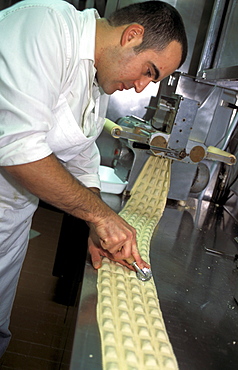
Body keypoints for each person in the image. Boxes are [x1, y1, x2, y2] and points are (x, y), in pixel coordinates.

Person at [0, 0, 187, 356]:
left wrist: (96, 224)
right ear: (132, 36)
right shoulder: (45, 26)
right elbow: (16, 146)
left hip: (11, 223)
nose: (141, 87)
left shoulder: (97, 80)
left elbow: (82, 155)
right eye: (149, 70)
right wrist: (100, 215)